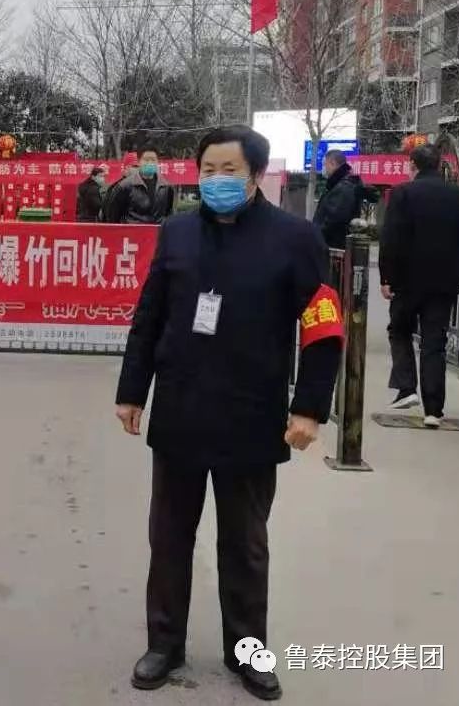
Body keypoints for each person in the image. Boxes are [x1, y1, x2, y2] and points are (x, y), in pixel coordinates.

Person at [115, 125, 344, 702]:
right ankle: (164, 643)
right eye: (208, 170)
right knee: (169, 537)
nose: (215, 180)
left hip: (252, 412)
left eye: (229, 170)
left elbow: (323, 327)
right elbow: (149, 317)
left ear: (256, 175)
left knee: (244, 543)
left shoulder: (295, 238)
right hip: (181, 409)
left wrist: (309, 408)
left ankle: (247, 650)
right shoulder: (177, 232)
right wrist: (132, 390)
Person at [380, 143, 459, 428]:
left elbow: (391, 238)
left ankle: (406, 387)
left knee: (399, 330)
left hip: (407, 280)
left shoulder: (403, 193)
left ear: (413, 165)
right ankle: (434, 410)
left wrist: (387, 278)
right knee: (434, 342)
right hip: (444, 282)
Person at [103, 147, 175, 224]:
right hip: (132, 230)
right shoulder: (124, 186)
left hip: (158, 230)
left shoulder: (166, 187)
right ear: (139, 161)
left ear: (158, 162)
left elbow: (169, 213)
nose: (150, 163)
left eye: (153, 160)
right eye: (146, 160)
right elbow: (113, 216)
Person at [313, 149, 364, 249]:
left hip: (334, 247)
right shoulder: (338, 185)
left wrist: (315, 235)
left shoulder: (344, 187)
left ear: (332, 163)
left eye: (324, 165)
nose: (324, 168)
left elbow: (333, 221)